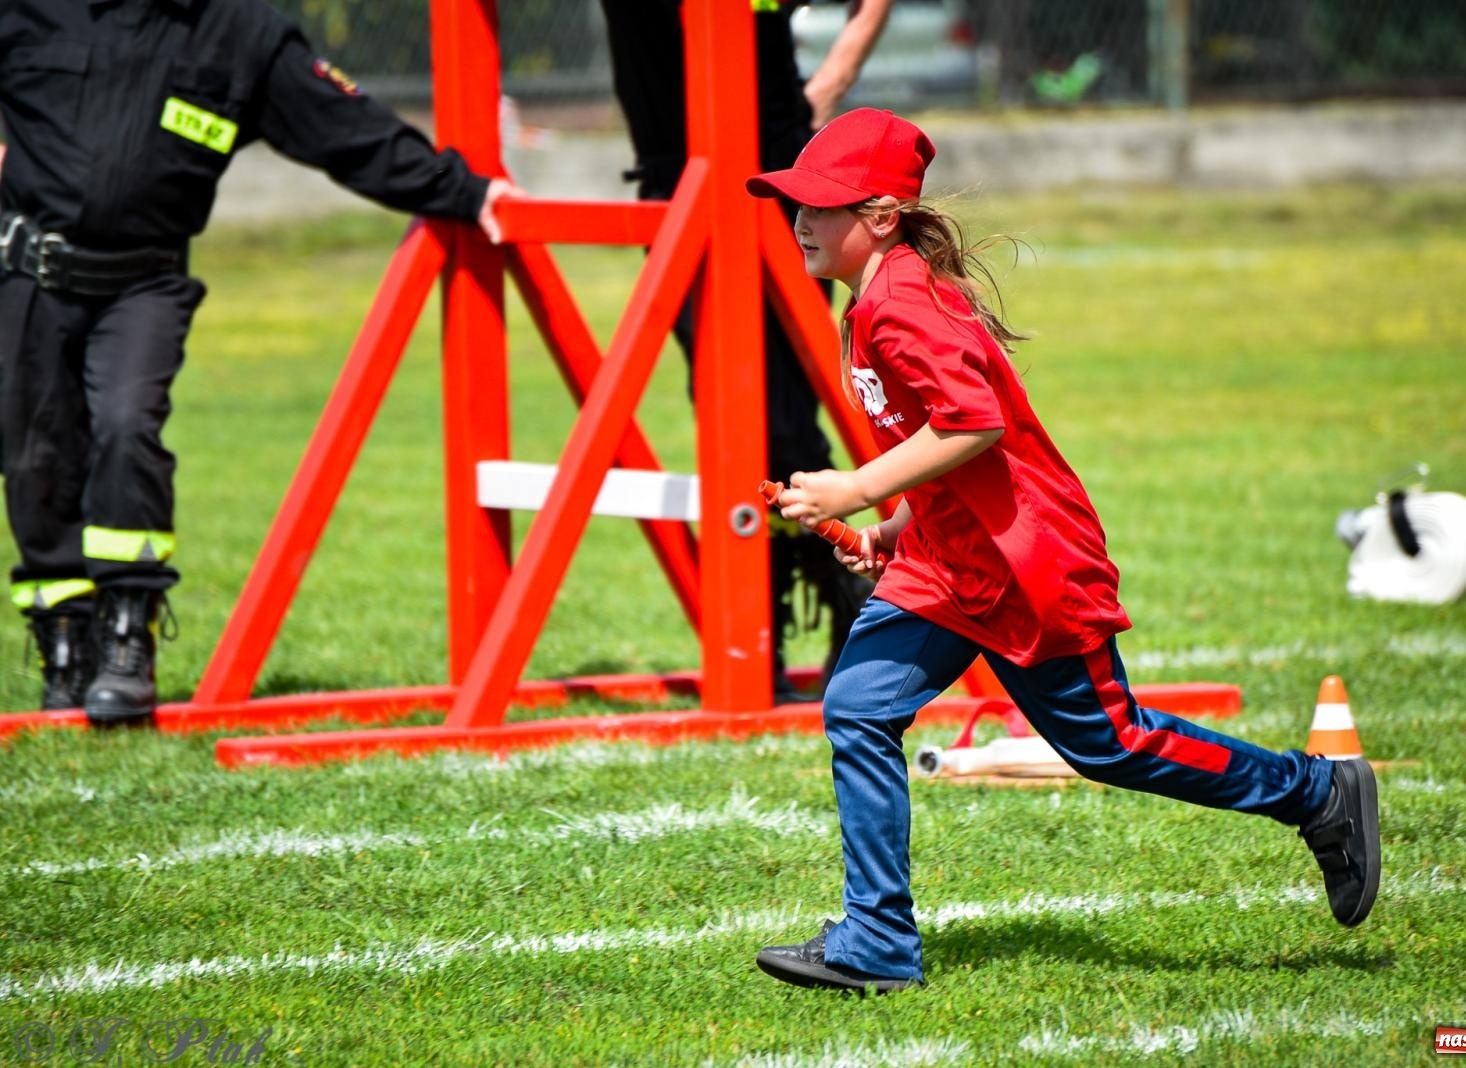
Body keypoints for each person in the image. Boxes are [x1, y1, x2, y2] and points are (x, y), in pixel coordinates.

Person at [745, 108, 1381, 993]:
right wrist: (895, 528)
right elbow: (947, 444)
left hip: (1025, 559)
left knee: (1109, 744)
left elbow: (973, 423)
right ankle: (878, 941)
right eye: (796, 202)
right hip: (946, 562)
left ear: (882, 216)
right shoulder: (875, 300)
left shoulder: (899, 301)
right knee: (857, 707)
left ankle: (1314, 793)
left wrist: (854, 489)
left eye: (821, 204)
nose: (801, 219)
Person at [0, 1, 527, 723]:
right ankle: (64, 641)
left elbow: (344, 128)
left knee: (126, 427)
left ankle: (127, 636)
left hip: (144, 285)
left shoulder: (241, 32)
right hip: (27, 275)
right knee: (34, 455)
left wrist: (466, 192)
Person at [598, 0, 893, 701]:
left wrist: (827, 88)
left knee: (779, 419)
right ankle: (786, 610)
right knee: (730, 414)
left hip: (770, 181)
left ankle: (838, 590)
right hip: (674, 181)